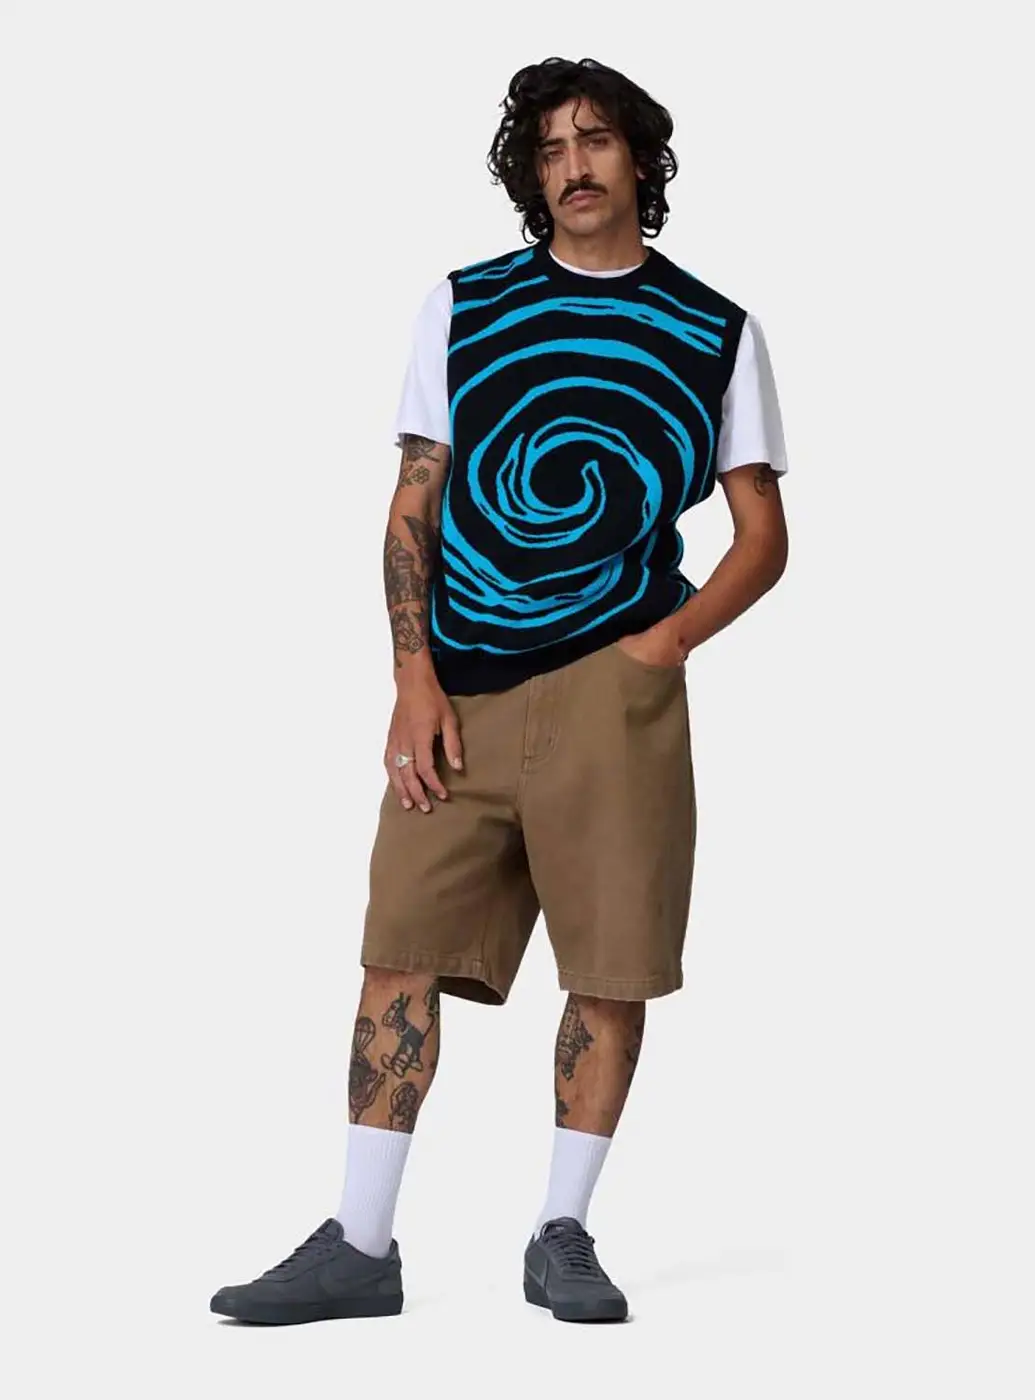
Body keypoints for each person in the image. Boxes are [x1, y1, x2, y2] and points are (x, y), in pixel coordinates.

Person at [210, 55, 789, 1327]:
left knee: (611, 964)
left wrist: (661, 648)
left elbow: (762, 535)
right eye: (548, 148)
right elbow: (412, 500)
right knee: (398, 947)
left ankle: (561, 1232)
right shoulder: (465, 305)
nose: (572, 166)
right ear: (530, 174)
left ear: (640, 156)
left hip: (614, 688)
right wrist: (411, 672)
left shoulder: (714, 330)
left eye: (595, 140)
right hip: (460, 686)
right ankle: (360, 1244)